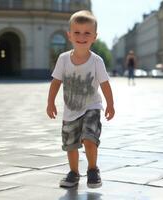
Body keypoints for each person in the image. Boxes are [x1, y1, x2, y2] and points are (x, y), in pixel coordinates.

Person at [46, 10, 115, 189]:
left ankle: (93, 169)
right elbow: (56, 82)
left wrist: (110, 104)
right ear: (69, 35)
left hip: (91, 107)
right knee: (71, 145)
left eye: (87, 33)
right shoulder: (63, 59)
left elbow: (105, 84)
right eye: (77, 32)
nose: (81, 37)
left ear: (94, 37)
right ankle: (74, 172)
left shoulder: (97, 61)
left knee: (89, 138)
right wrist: (50, 102)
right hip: (70, 111)